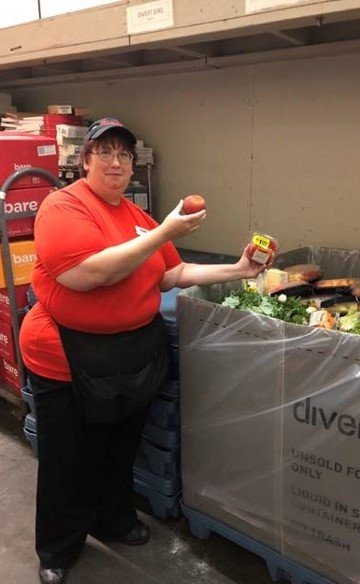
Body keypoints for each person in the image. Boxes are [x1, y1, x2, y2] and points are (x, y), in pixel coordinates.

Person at [19, 117, 270, 584]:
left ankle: (113, 520)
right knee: (67, 461)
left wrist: (238, 270)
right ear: (84, 159)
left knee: (119, 450)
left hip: (133, 356)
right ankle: (59, 546)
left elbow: (171, 274)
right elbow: (89, 274)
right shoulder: (62, 207)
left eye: (124, 155)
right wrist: (165, 232)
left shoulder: (138, 218)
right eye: (105, 152)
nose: (116, 162)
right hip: (67, 358)